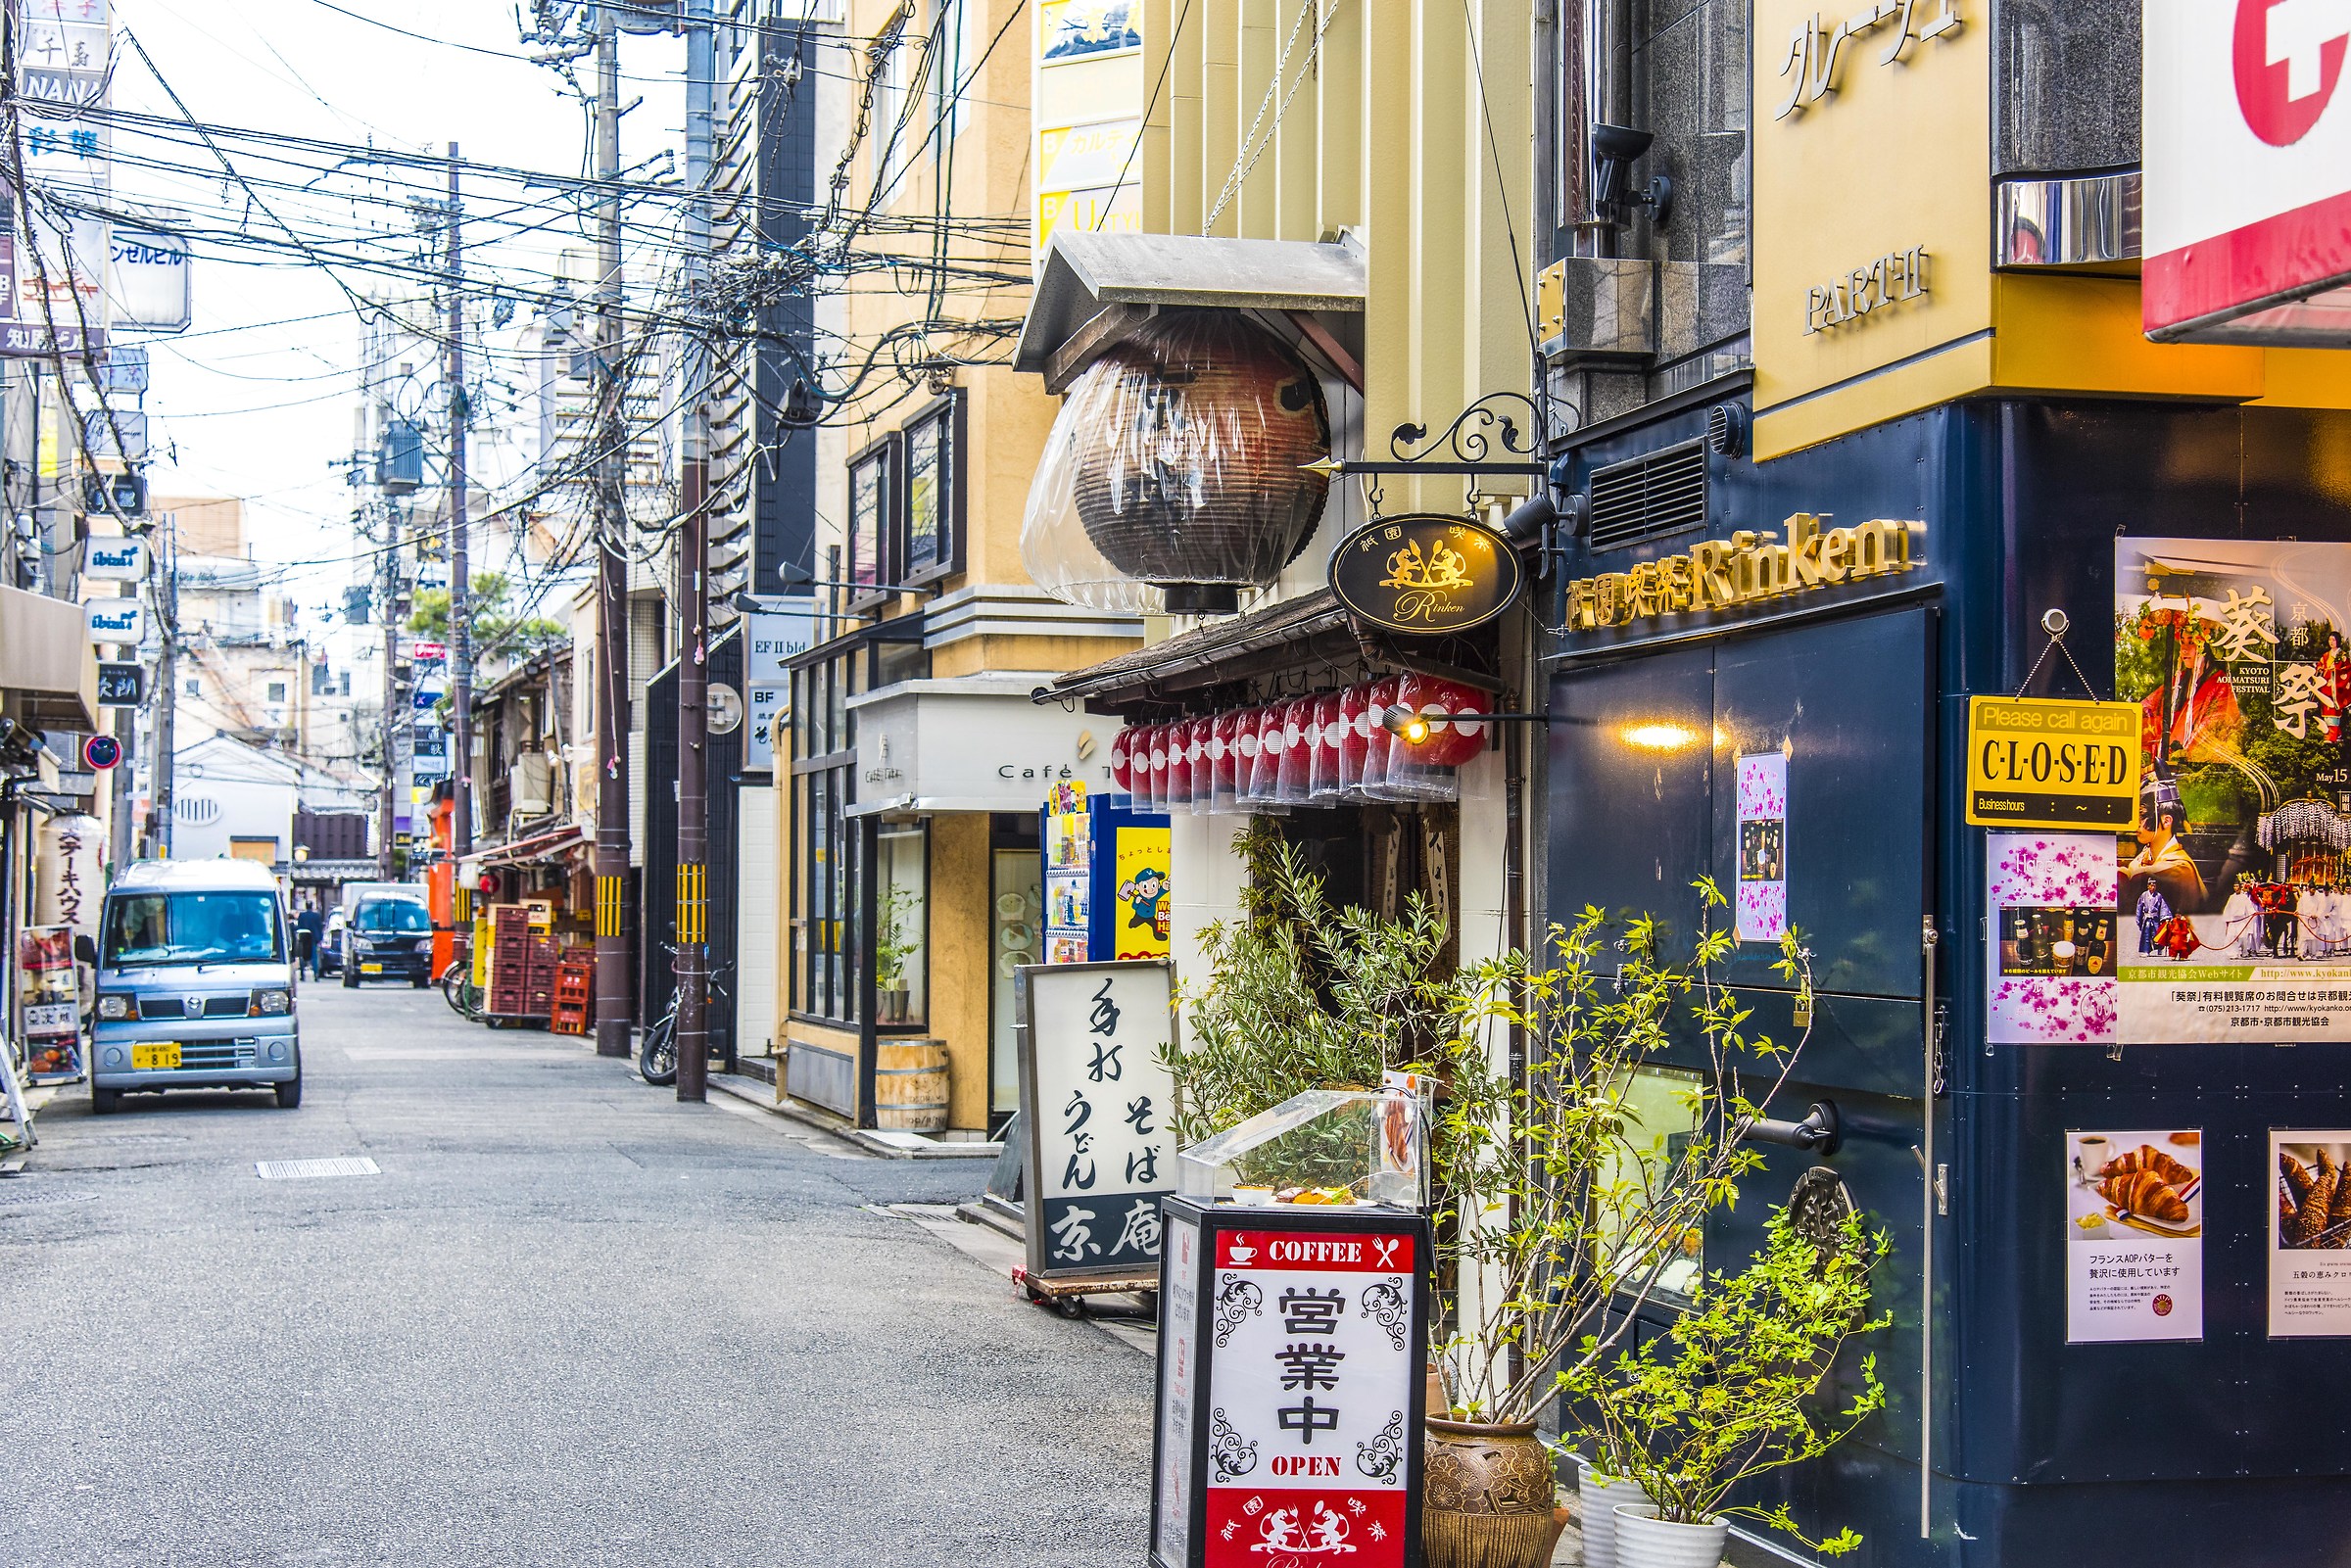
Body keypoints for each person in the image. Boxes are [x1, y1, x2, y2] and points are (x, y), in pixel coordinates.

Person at [2137, 882, 2171, 956]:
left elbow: (2163, 907)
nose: (2153, 887)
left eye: (2154, 886)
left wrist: (2165, 917)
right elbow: (2139, 907)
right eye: (2151, 886)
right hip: (2147, 918)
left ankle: (2160, 948)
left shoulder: (2158, 896)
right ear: (2148, 886)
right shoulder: (2144, 895)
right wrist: (2138, 918)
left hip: (2155, 918)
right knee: (2146, 935)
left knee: (2157, 934)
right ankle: (2146, 951)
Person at [295, 901, 324, 980]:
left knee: (303, 956)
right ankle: (316, 974)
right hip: (313, 938)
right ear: (312, 906)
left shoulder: (302, 915)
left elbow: (299, 926)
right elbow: (319, 927)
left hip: (304, 937)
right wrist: (320, 938)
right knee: (314, 957)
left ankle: (302, 975)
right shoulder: (316, 916)